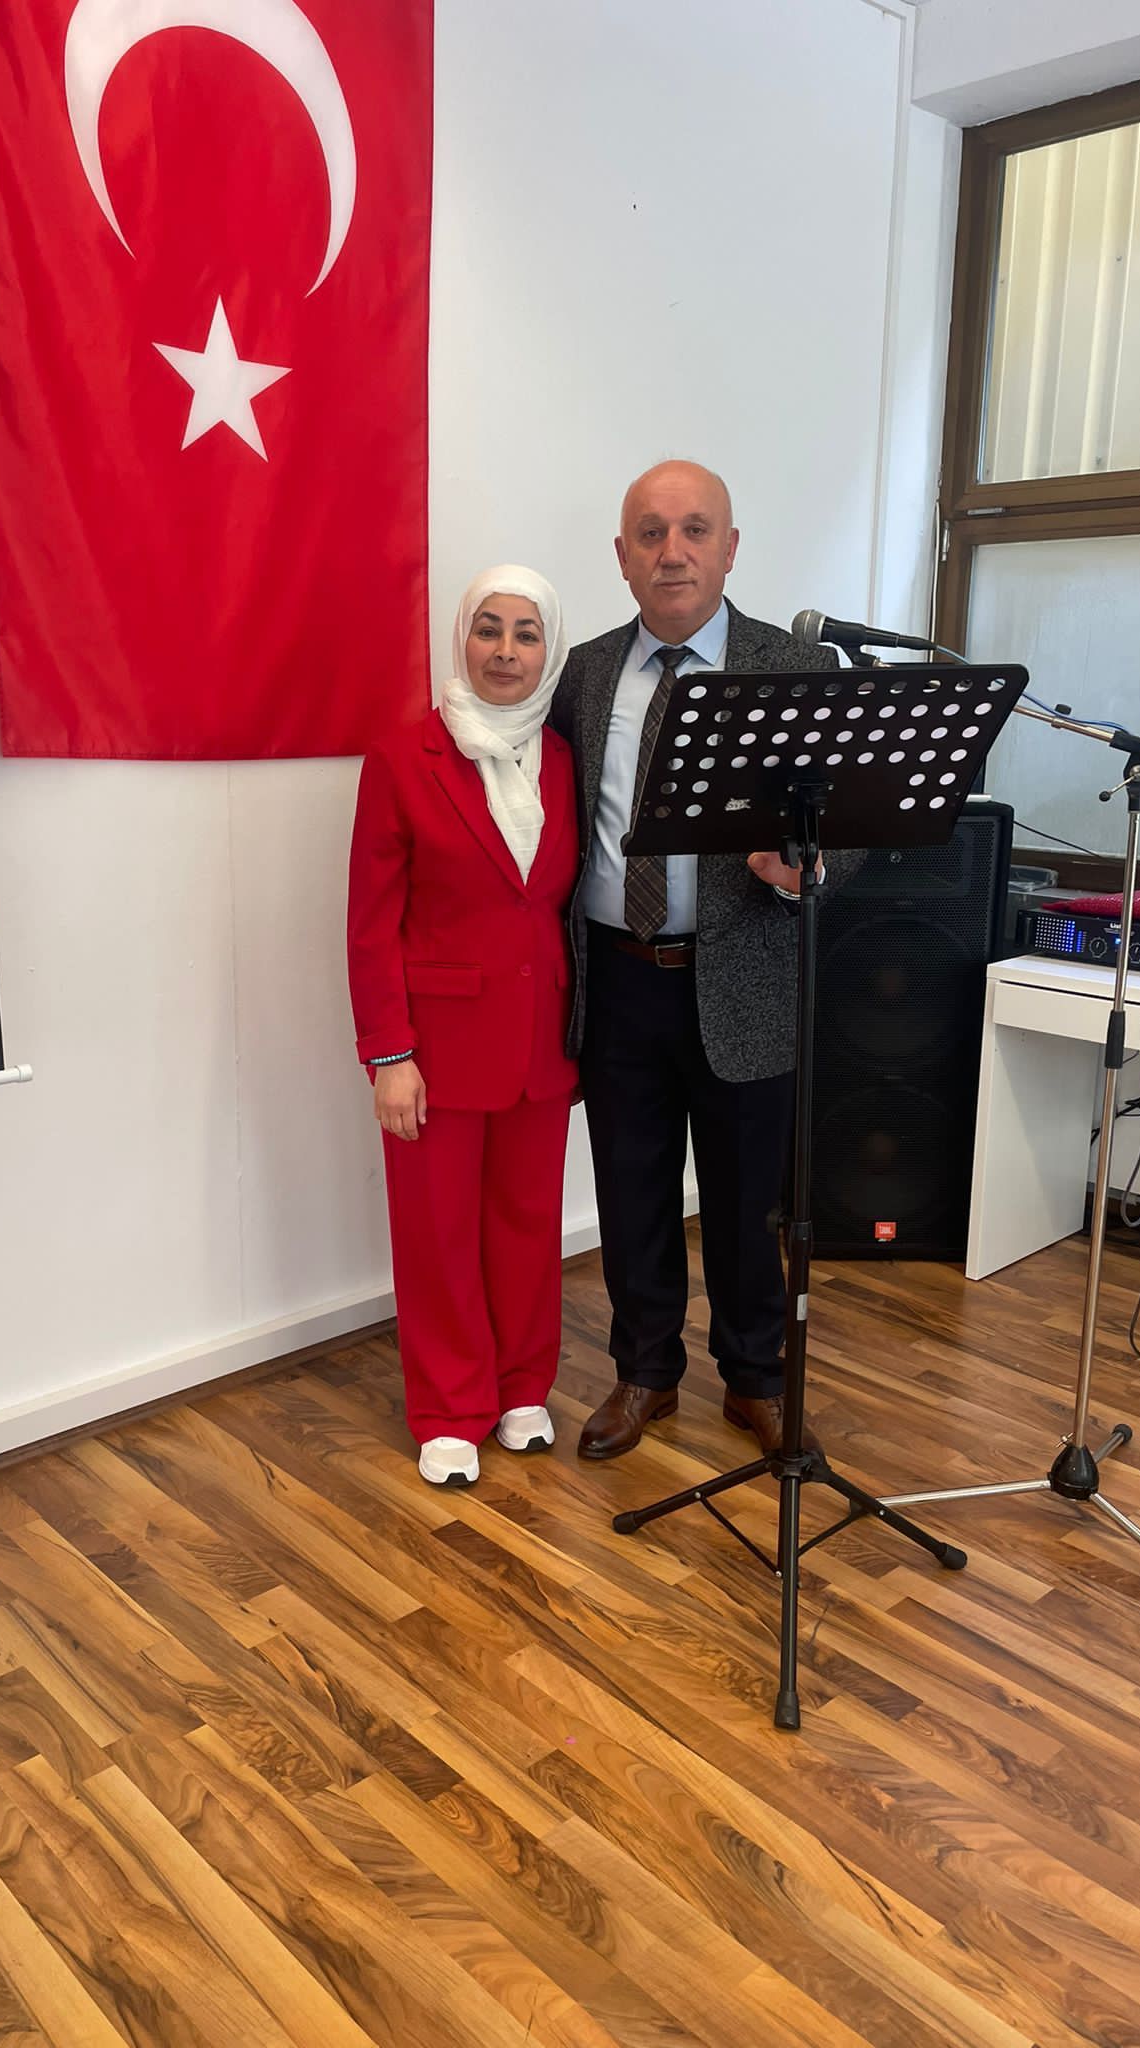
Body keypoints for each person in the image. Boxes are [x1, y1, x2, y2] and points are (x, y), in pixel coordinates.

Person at [551, 460, 859, 1461]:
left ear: (731, 548)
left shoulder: (796, 668)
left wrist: (809, 866)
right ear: (623, 556)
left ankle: (756, 1377)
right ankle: (644, 1369)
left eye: (694, 530)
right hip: (618, 976)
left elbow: (853, 817)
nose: (672, 552)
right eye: (650, 533)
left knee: (744, 1199)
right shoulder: (585, 673)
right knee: (631, 1189)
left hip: (747, 977)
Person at [348, 567, 579, 1487]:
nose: (506, 651)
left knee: (527, 1226)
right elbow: (370, 924)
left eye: (526, 633)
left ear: (549, 649)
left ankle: (522, 1387)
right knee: (437, 1233)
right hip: (433, 1051)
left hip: (541, 1041)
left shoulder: (562, 758)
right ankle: (449, 1408)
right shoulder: (403, 758)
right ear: (462, 639)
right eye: (489, 629)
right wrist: (388, 1053)